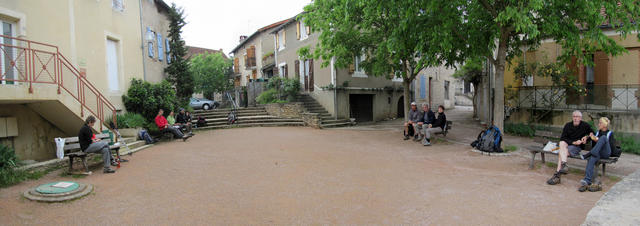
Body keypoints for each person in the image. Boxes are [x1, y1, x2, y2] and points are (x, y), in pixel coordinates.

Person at [547, 110, 593, 185]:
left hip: (576, 147)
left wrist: (586, 137)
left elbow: (592, 133)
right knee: (562, 143)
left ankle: (557, 175)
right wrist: (573, 142)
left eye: (577, 117)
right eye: (574, 116)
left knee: (561, 154)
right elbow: (563, 138)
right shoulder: (568, 125)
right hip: (568, 145)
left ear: (580, 118)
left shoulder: (585, 125)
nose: (575, 118)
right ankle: (564, 165)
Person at [578, 117, 615, 192]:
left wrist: (598, 139)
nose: (599, 124)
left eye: (600, 123)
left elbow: (611, 147)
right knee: (592, 158)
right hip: (597, 153)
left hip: (605, 153)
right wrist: (587, 137)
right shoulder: (597, 132)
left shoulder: (610, 133)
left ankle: (589, 153)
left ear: (605, 125)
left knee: (603, 138)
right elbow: (591, 139)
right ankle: (587, 180)